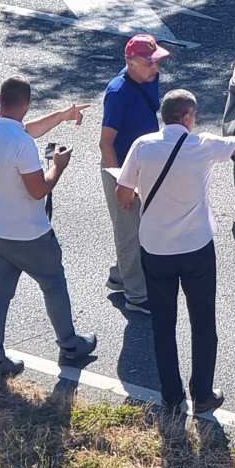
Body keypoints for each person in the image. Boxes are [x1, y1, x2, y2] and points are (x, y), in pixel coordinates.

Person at [116, 89, 235, 417]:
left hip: (156, 249)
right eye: (195, 115)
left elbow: (123, 194)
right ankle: (202, 393)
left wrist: (141, 193)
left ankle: (172, 398)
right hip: (196, 248)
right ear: (186, 118)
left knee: (163, 324)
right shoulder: (203, 146)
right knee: (203, 321)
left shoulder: (142, 146)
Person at [0, 76, 99, 379]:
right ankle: (70, 345)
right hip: (29, 235)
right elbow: (38, 189)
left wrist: (63, 115)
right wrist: (58, 165)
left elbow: (27, 130)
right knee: (53, 283)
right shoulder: (21, 145)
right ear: (28, 103)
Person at [99, 33, 169, 316]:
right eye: (150, 63)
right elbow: (105, 142)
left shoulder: (148, 79)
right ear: (131, 62)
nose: (156, 68)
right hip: (123, 170)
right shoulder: (118, 92)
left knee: (140, 225)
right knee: (129, 232)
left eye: (157, 61)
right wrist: (121, 183)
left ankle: (119, 275)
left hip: (144, 166)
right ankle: (137, 296)